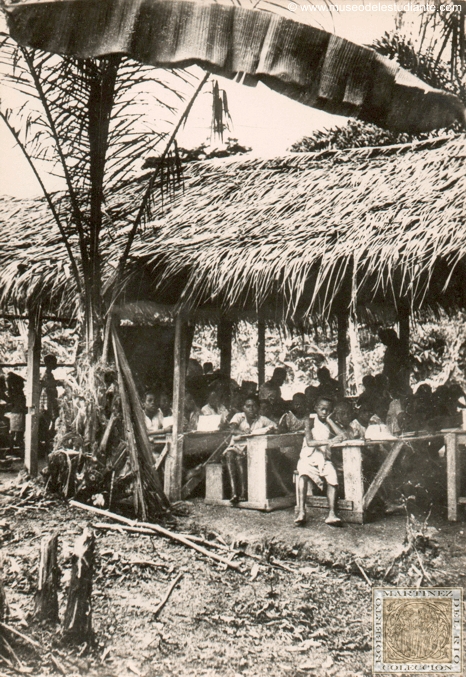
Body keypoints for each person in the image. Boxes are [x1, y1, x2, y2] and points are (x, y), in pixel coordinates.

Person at [295, 396, 344, 526]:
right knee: (303, 475)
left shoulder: (329, 422)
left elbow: (343, 436)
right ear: (315, 408)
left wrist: (329, 420)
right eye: (322, 409)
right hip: (308, 456)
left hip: (323, 458)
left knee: (332, 476)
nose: (324, 412)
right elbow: (310, 442)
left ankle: (332, 514)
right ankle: (301, 511)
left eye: (328, 410)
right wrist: (329, 441)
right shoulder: (309, 420)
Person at [224, 395, 276, 504]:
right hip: (237, 447)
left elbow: (276, 427)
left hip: (252, 450)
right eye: (248, 406)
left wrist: (271, 430)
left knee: (239, 458)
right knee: (229, 454)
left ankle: (243, 492)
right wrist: (243, 433)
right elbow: (232, 429)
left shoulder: (262, 419)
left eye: (254, 406)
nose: (251, 409)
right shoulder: (239, 416)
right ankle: (234, 492)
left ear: (258, 408)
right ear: (243, 407)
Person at [378, 328, 411, 393]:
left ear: (389, 338)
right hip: (391, 377)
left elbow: (401, 364)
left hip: (397, 377)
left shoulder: (399, 347)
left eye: (383, 339)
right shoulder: (390, 348)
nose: (382, 341)